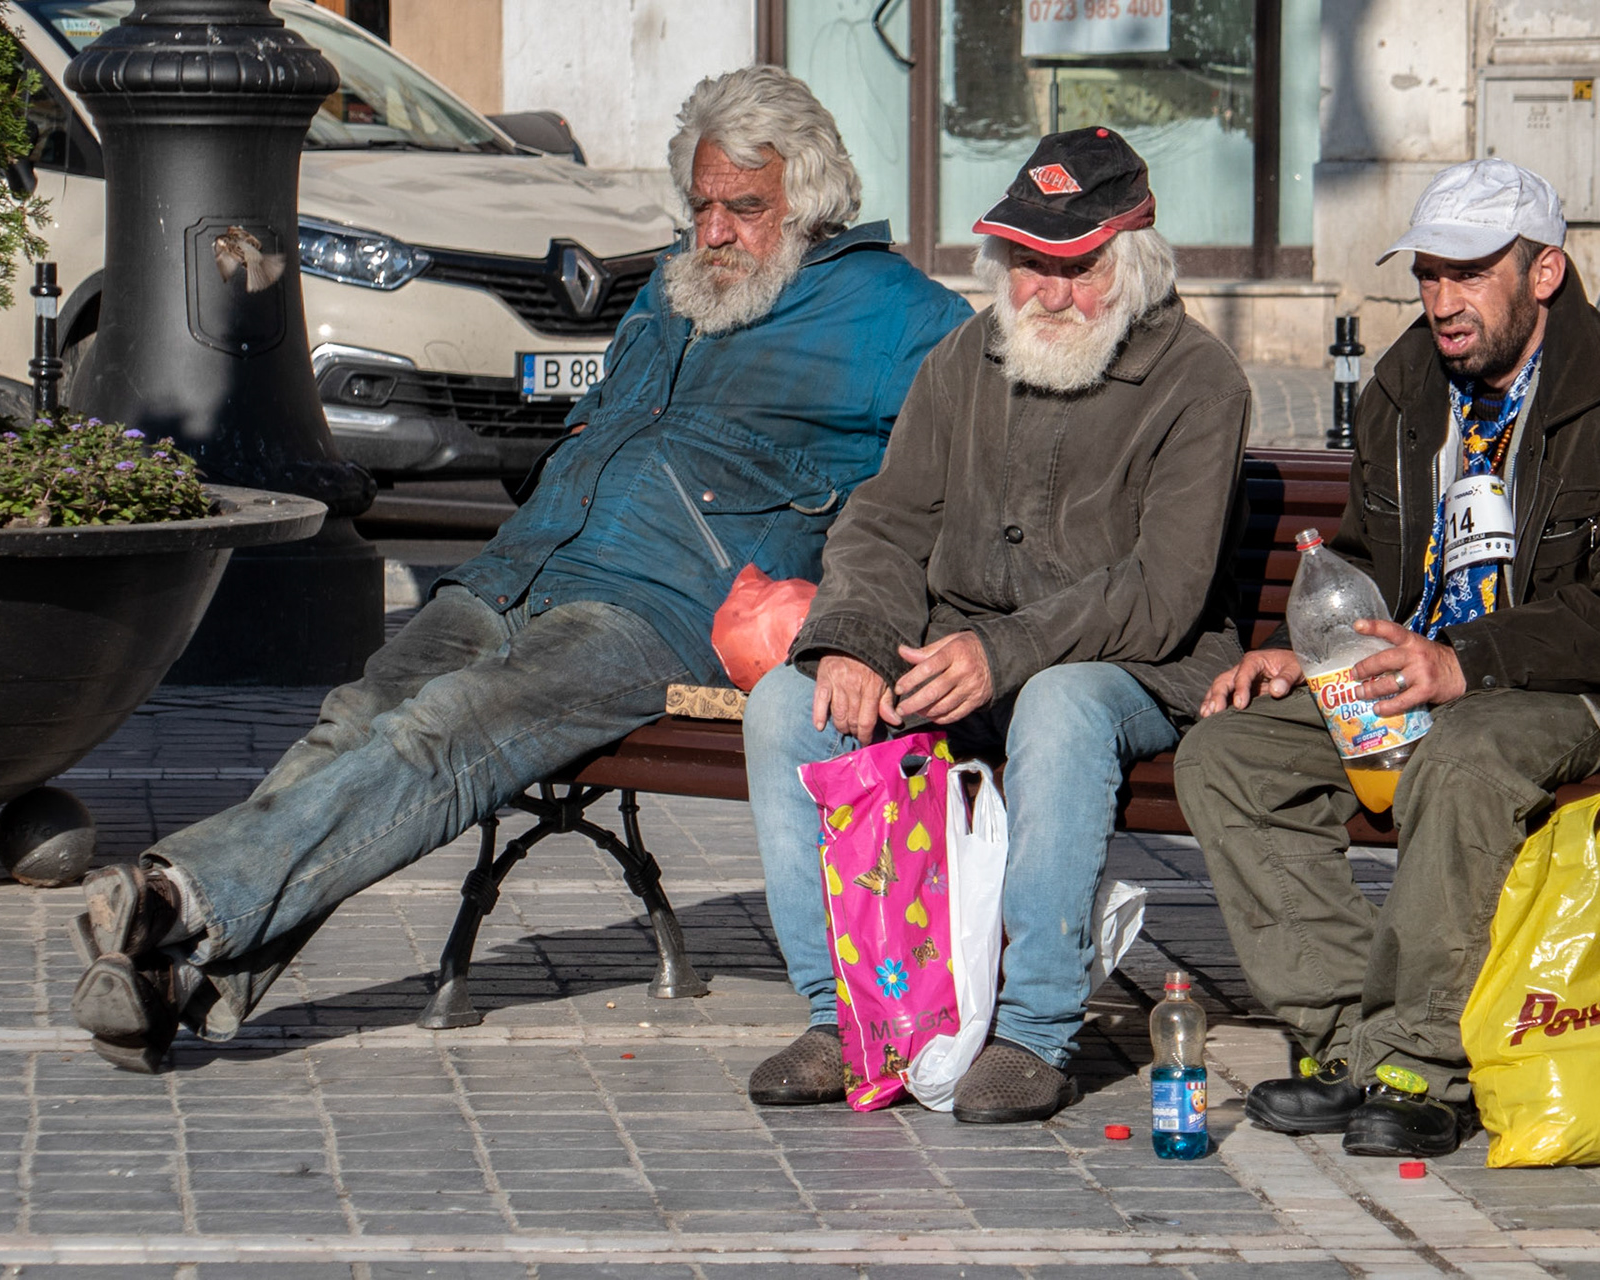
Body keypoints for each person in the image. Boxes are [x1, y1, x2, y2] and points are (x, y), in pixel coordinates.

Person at [67, 66, 973, 1073]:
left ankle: (172, 895)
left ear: (811, 201)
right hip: (524, 563)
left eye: (744, 209)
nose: (714, 231)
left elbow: (975, 479)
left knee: (447, 727)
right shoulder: (677, 289)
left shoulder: (902, 318)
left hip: (667, 605)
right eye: (702, 204)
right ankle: (182, 977)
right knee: (358, 710)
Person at [1173, 158, 1600, 1158]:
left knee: (1465, 752)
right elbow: (1367, 556)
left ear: (1545, 270)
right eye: (1427, 274)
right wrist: (1311, 652)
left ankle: (1424, 1063)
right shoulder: (1406, 387)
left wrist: (1467, 658)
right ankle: (1347, 1039)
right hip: (1420, 668)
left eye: (1469, 273)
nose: (1441, 301)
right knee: (1229, 755)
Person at [742, 127, 1253, 1124]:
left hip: (1136, 666)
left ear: (1136, 261)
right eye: (1029, 265)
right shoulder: (964, 359)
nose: (1050, 294)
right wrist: (850, 636)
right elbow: (886, 523)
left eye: (1081, 268)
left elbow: (1161, 590)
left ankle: (1036, 1030)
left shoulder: (1201, 382)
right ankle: (844, 1017)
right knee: (782, 705)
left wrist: (1004, 652)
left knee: (1060, 702)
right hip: (956, 650)